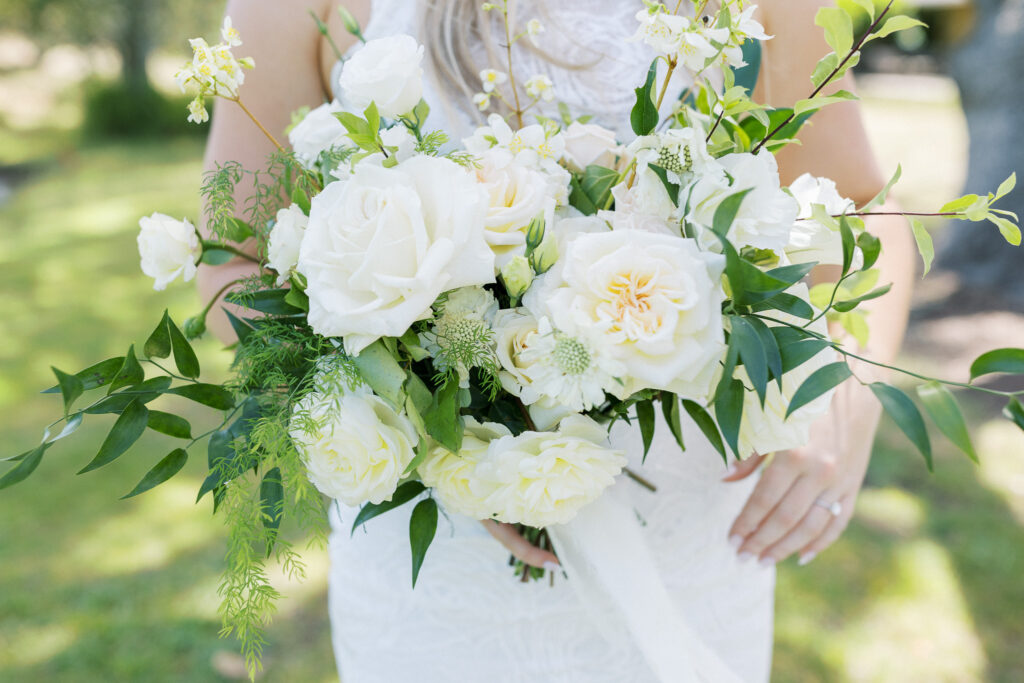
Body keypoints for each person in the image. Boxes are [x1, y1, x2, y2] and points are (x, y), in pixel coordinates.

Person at [199, 1, 917, 680]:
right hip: (442, 581)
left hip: (690, 545)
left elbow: (857, 201)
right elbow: (233, 264)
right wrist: (435, 436)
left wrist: (849, 393)